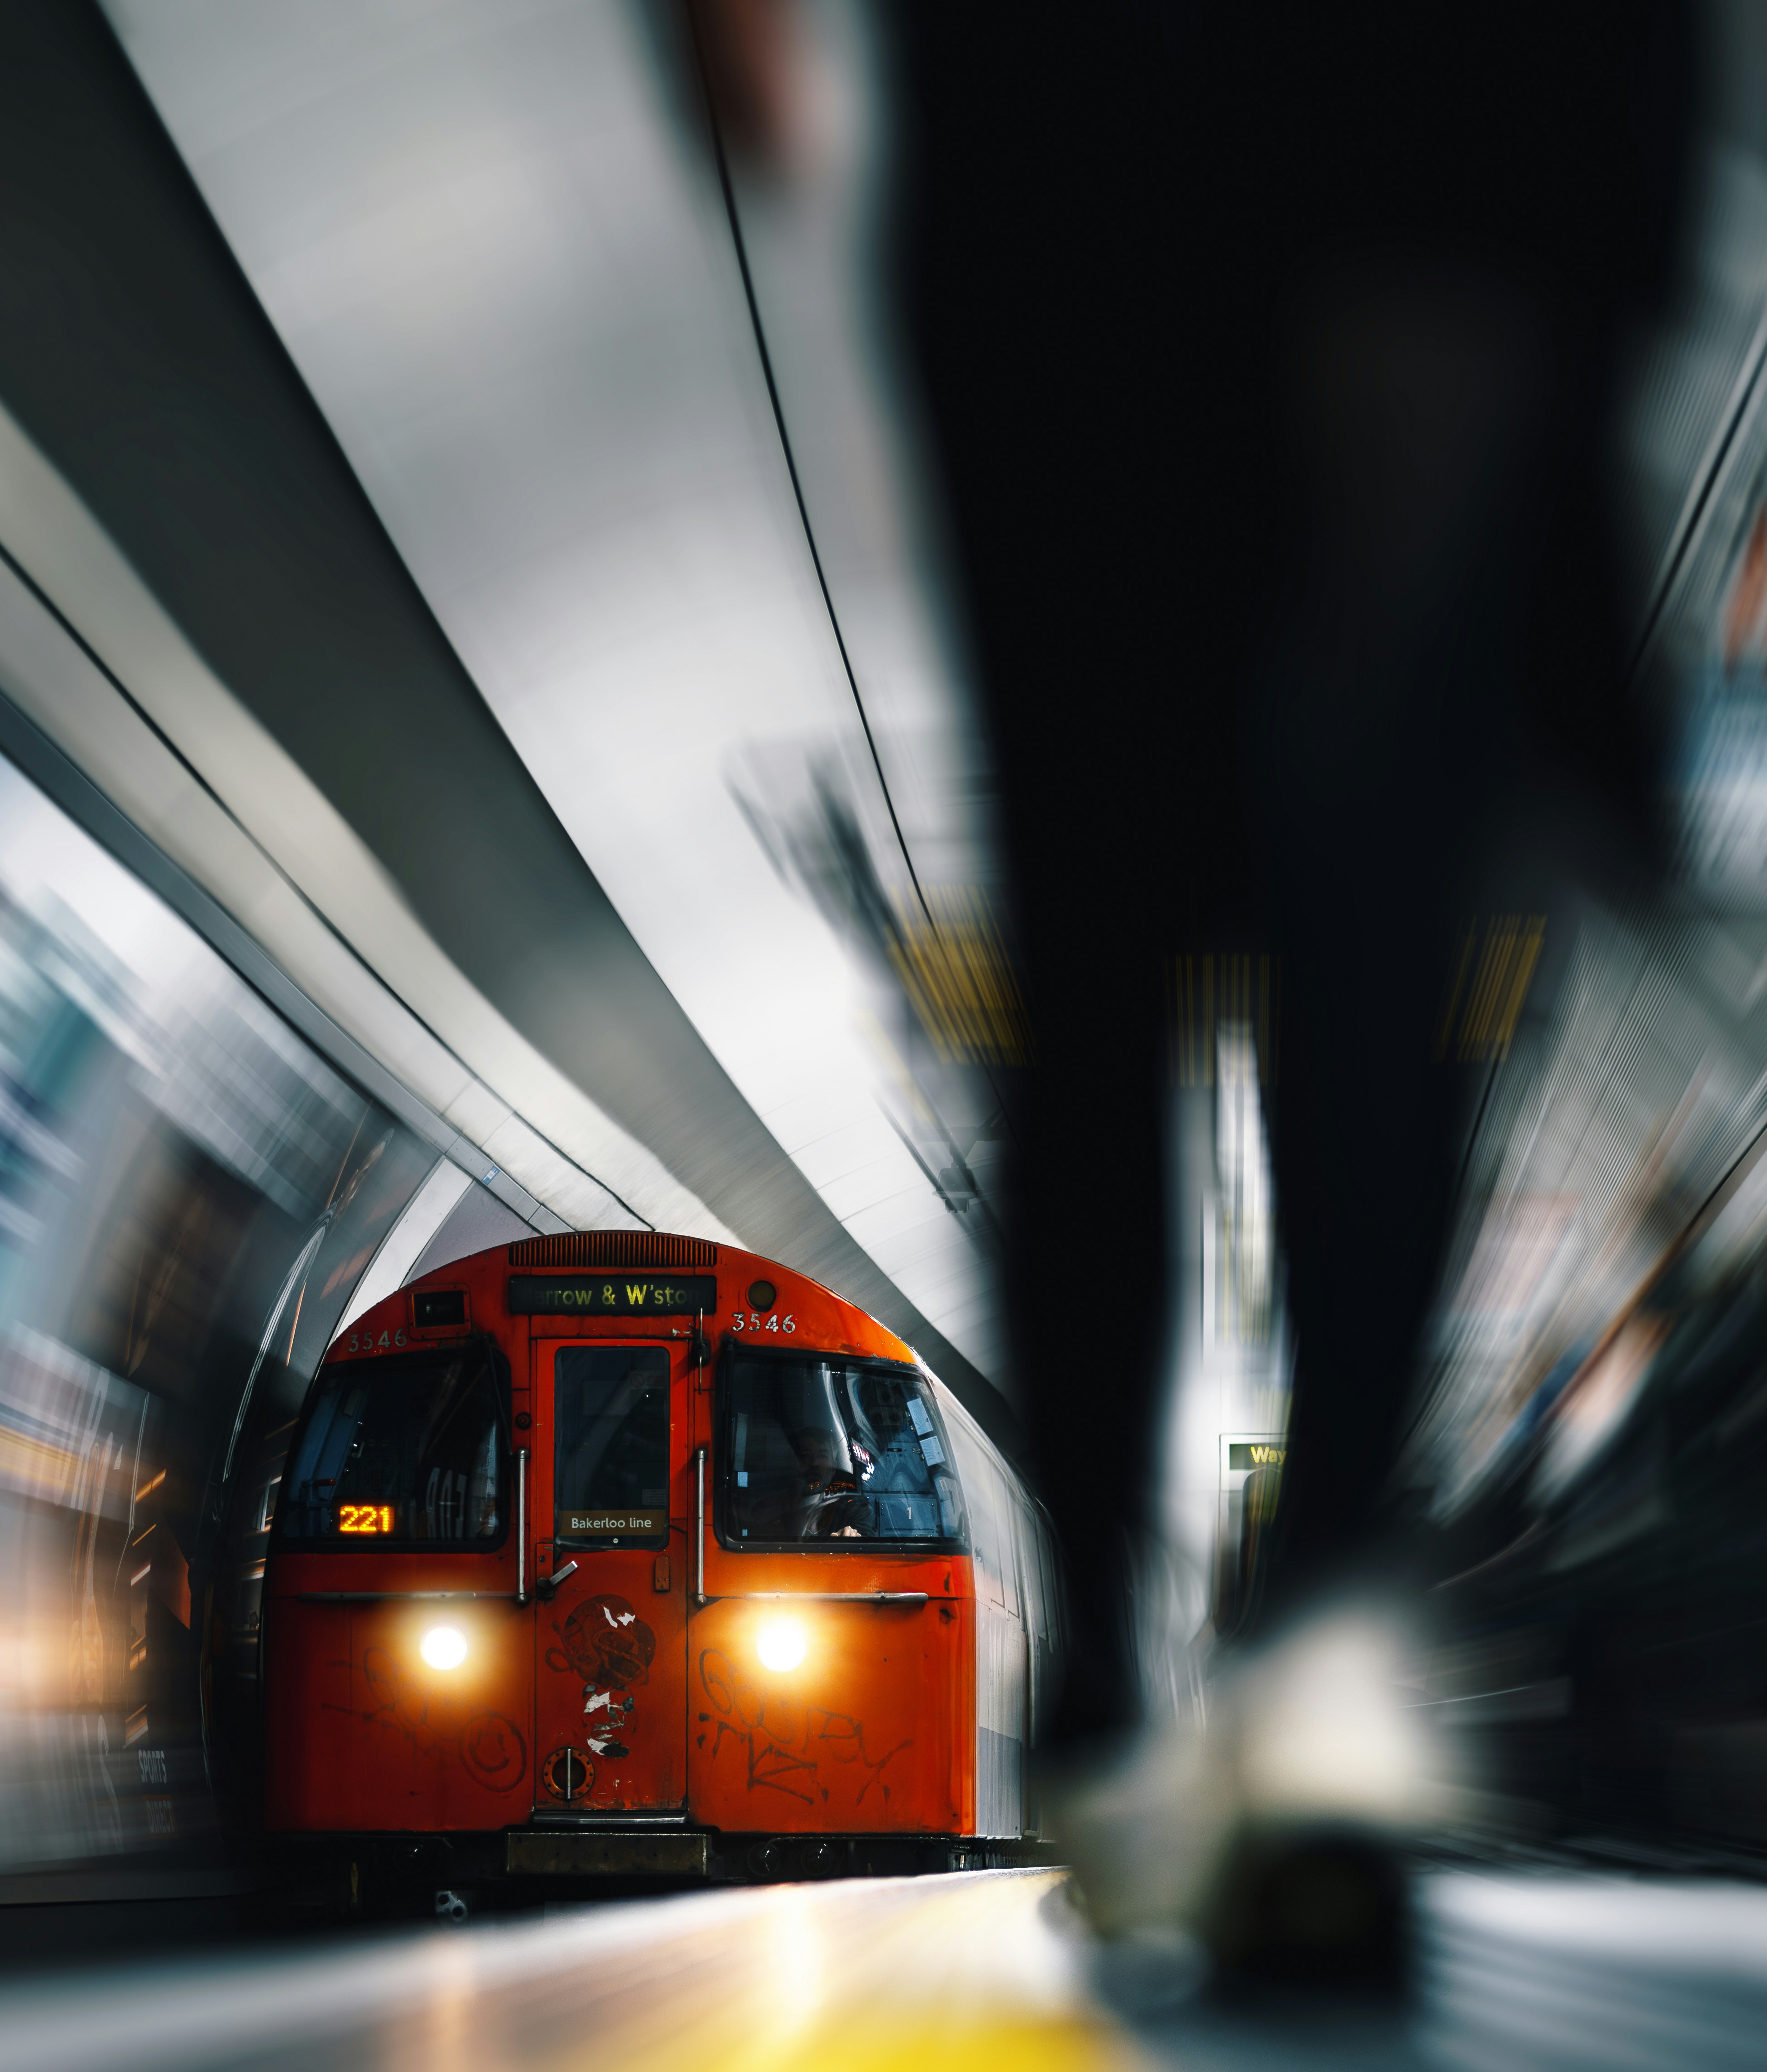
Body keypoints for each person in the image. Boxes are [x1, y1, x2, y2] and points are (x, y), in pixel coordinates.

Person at [691, 0, 1699, 1962]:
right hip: (1432, 134)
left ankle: (1130, 1685)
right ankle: (1306, 1655)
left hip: (1080, 135)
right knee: (1368, 894)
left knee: (1107, 930)